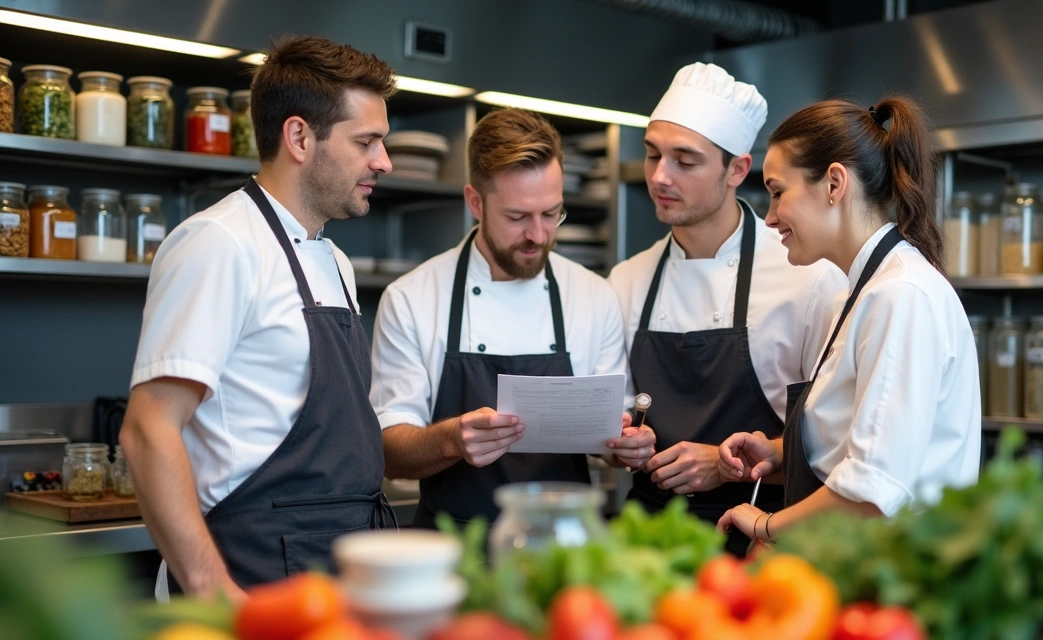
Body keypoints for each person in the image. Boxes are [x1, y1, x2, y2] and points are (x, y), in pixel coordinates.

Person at [120, 36, 398, 598]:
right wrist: (213, 590)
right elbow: (148, 430)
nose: (383, 161)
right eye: (365, 141)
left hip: (333, 572)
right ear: (298, 136)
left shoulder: (334, 260)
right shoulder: (218, 243)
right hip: (251, 575)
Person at [716, 97, 982, 543]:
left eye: (778, 192)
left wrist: (765, 526)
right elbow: (869, 434)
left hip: (897, 571)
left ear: (835, 183)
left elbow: (871, 492)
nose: (771, 217)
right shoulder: (862, 292)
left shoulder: (899, 296)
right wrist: (781, 452)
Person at [372, 108, 654, 528]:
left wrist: (626, 446)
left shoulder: (594, 296)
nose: (538, 235)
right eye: (518, 217)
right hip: (454, 548)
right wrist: (451, 439)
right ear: (475, 202)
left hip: (564, 549)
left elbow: (611, 431)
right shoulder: (412, 297)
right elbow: (391, 454)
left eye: (551, 214)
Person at [607, 63, 847, 556]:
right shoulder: (627, 279)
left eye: (685, 161)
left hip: (762, 536)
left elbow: (837, 446)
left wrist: (724, 462)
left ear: (737, 169)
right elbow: (615, 417)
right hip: (646, 540)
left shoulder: (808, 276)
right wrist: (617, 442)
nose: (659, 176)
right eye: (652, 155)